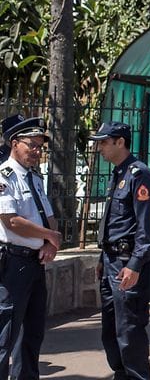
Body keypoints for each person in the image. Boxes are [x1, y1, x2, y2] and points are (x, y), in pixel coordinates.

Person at [90, 122, 150, 380]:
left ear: (120, 142)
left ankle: (138, 376)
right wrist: (101, 257)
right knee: (110, 329)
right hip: (110, 261)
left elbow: (144, 229)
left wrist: (135, 265)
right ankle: (121, 374)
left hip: (127, 263)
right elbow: (112, 223)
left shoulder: (140, 175)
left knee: (130, 330)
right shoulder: (118, 173)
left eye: (104, 142)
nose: (99, 148)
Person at [0, 115, 60, 380]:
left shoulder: (35, 178)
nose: (37, 151)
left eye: (39, 146)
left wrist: (49, 242)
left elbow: (48, 213)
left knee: (33, 333)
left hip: (36, 262)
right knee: (5, 333)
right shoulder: (5, 176)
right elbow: (11, 221)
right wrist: (51, 234)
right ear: (15, 144)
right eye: (31, 145)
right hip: (13, 263)